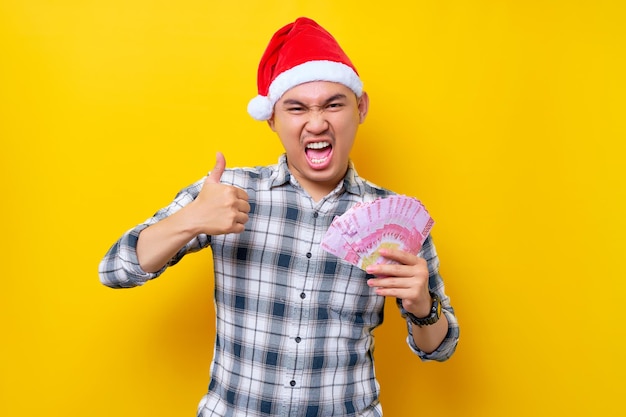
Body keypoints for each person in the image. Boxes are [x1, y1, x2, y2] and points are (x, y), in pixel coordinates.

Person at [99, 17, 459, 417]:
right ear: (272, 118)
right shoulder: (226, 194)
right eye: (297, 108)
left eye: (333, 104)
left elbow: (439, 348)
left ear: (361, 108)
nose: (317, 122)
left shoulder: (395, 220)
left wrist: (423, 304)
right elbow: (116, 270)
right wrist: (190, 219)